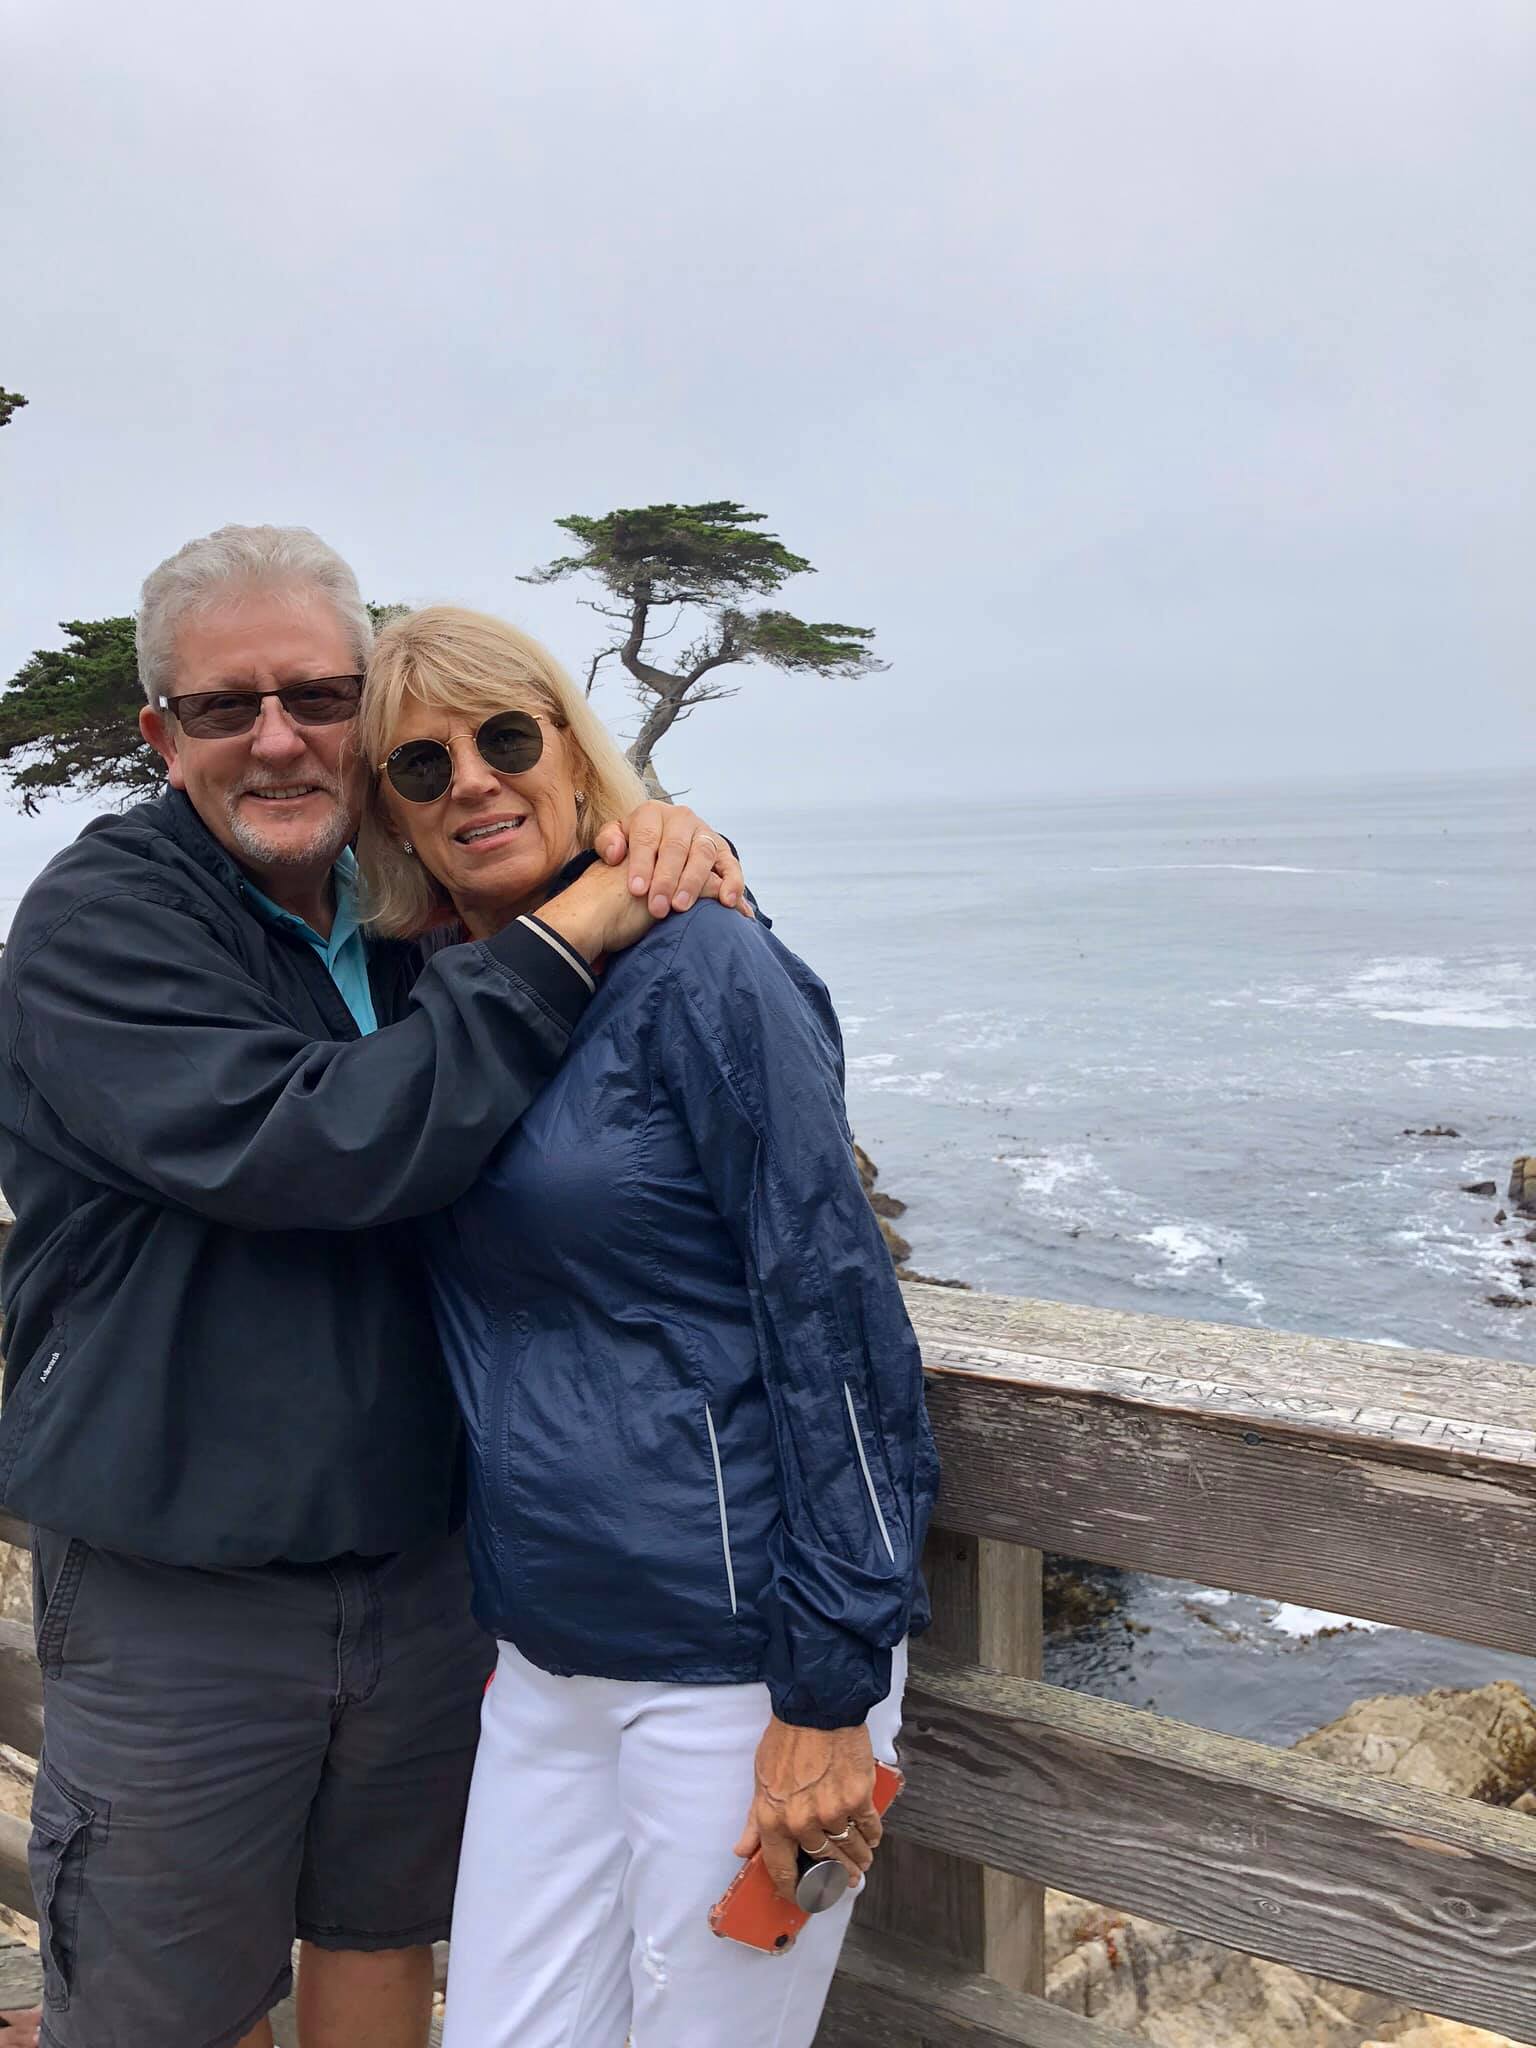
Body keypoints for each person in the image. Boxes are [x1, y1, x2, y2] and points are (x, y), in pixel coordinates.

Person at [0, 525, 749, 2048]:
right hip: (180, 1578)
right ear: (162, 735)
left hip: (426, 1560)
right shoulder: (101, 925)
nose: (278, 738)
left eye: (319, 698)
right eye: (225, 706)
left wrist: (656, 844)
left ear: (371, 710)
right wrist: (576, 928)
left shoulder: (418, 905)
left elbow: (604, 1003)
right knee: (163, 2005)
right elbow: (315, 1144)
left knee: (381, 1935)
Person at [355, 606, 939, 2048]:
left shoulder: (707, 966)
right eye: (422, 767)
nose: (473, 782)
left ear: (572, 750)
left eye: (506, 738)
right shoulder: (426, 995)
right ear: (394, 815)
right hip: (542, 1661)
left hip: (738, 1671)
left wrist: (829, 1692)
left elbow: (834, 1306)